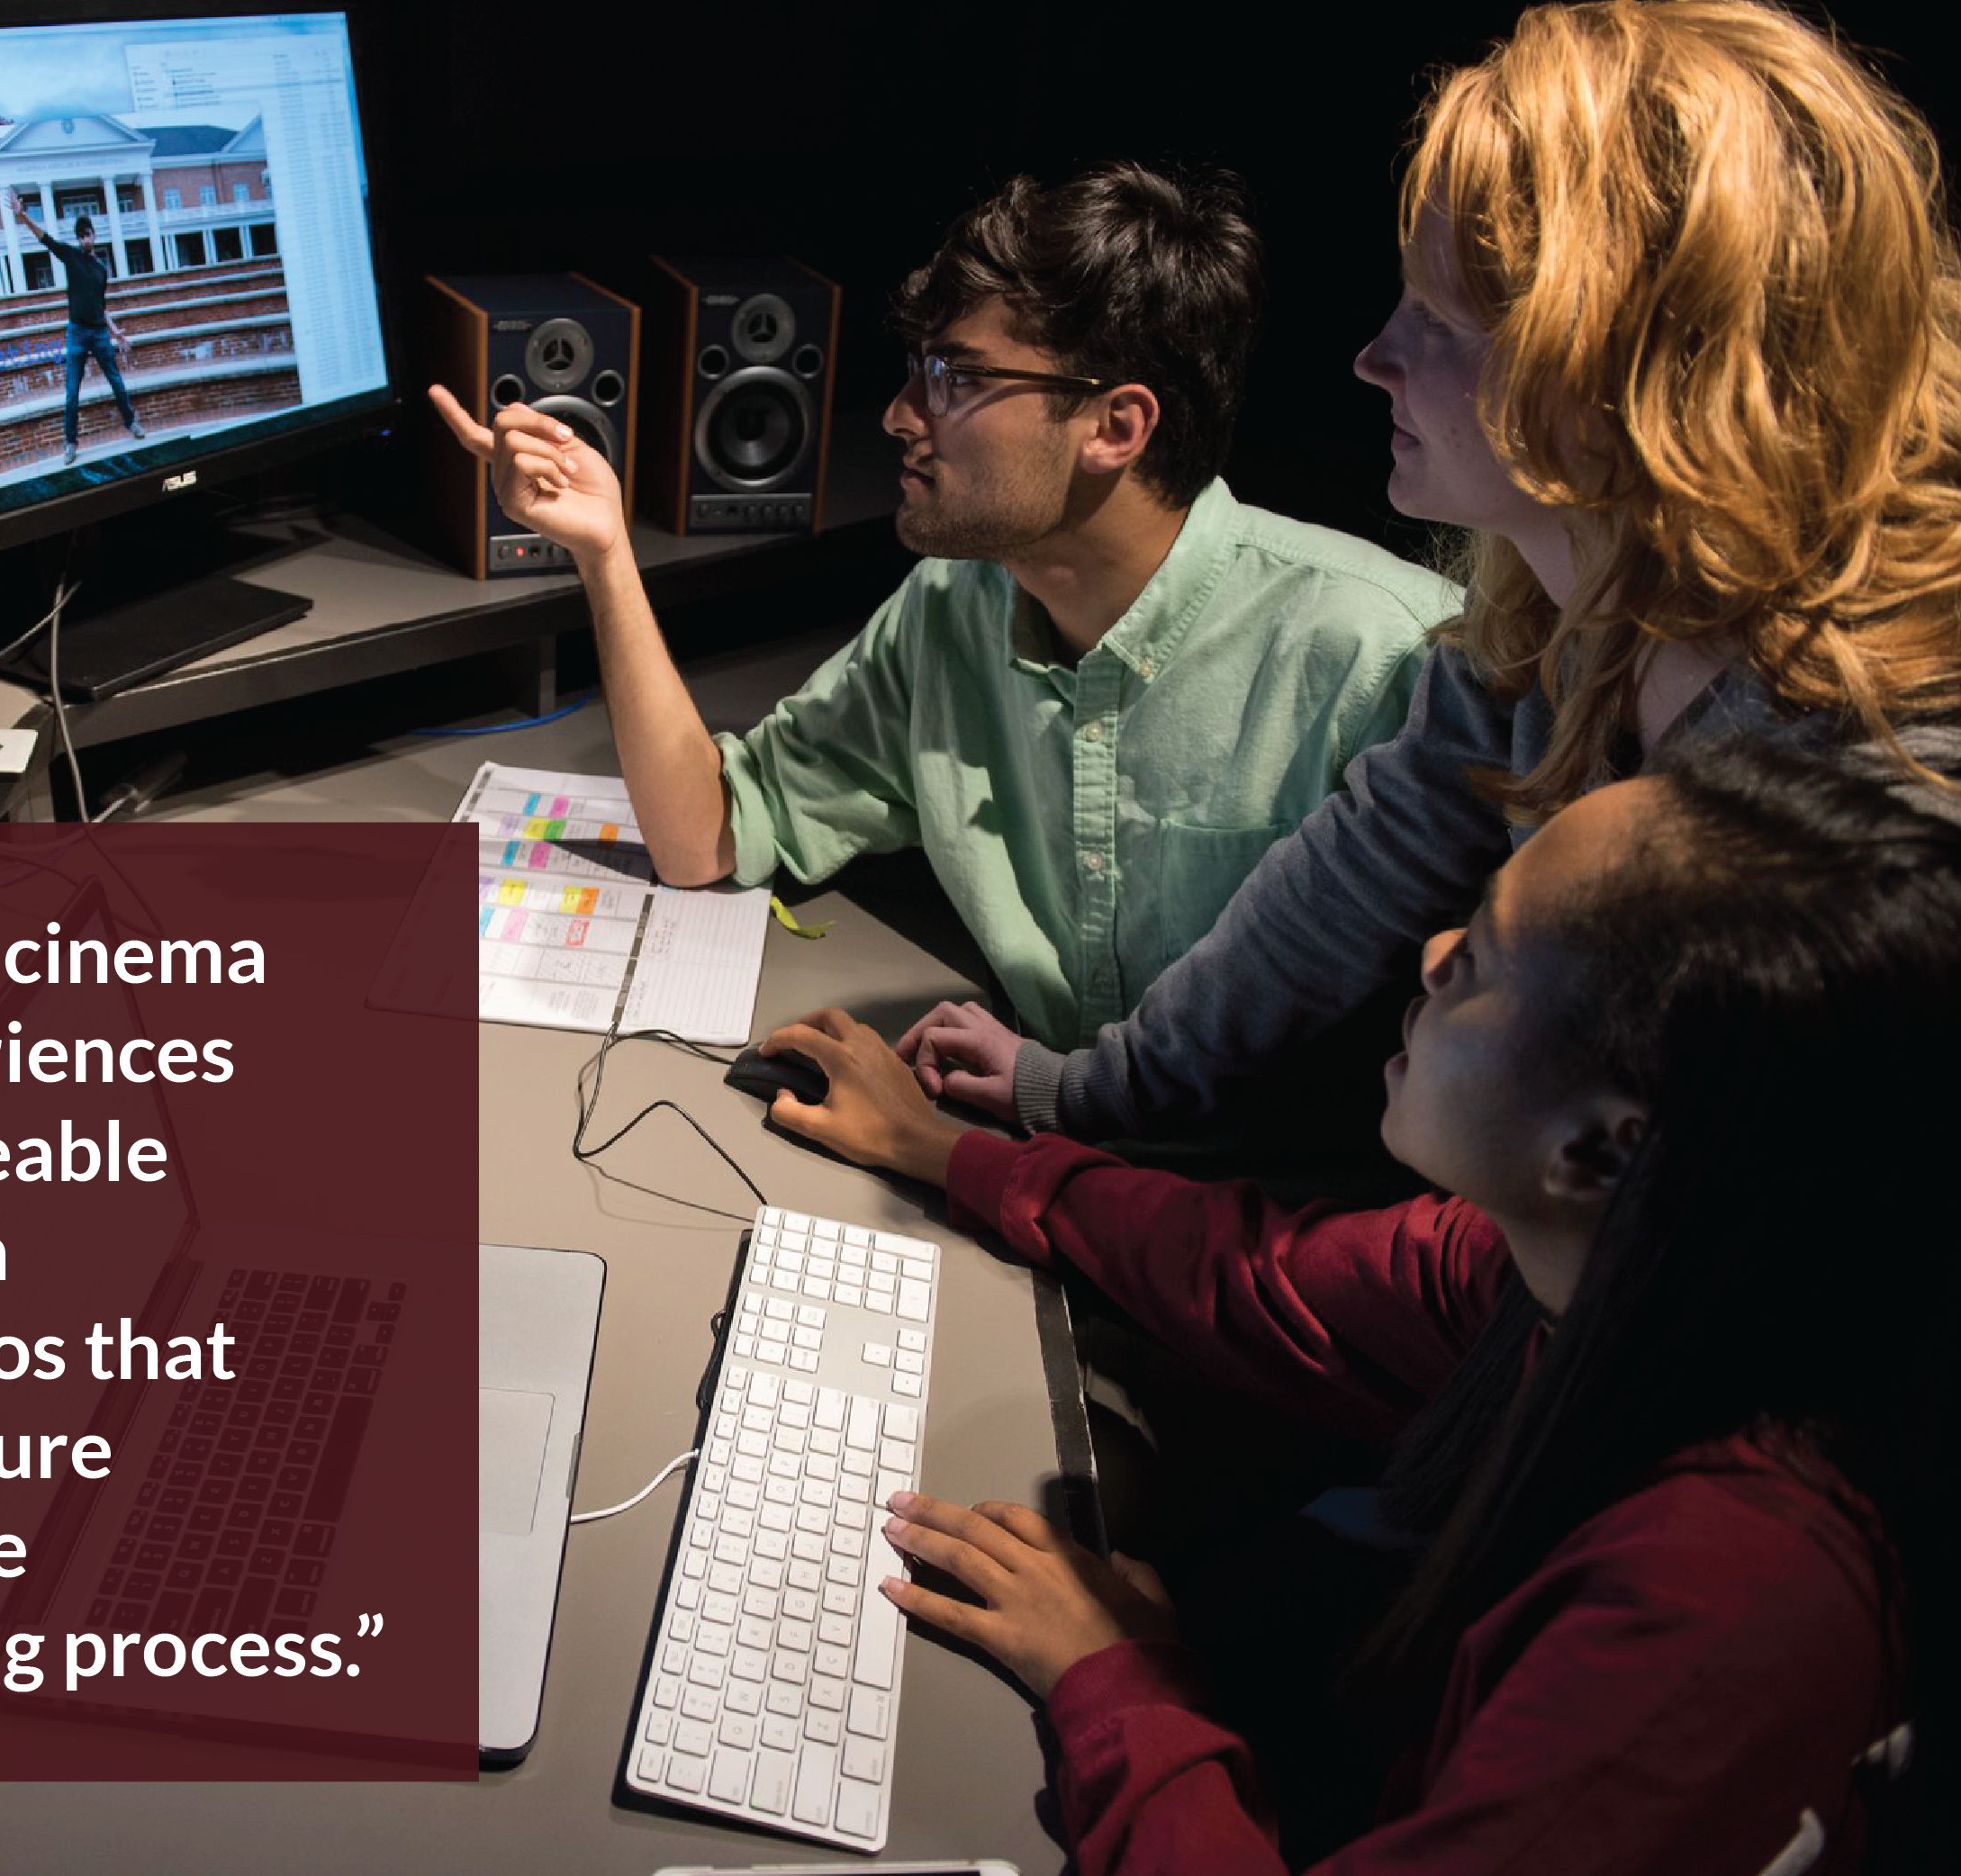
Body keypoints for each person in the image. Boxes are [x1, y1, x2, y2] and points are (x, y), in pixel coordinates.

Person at [756, 733, 1944, 1873]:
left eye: (1477, 955)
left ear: (1601, 1151)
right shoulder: (1620, 1274)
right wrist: (944, 1153)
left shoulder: (1713, 1615)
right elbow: (1247, 1270)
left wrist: (1118, 1683)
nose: (1427, 955)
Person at [891, 0, 1961, 1138]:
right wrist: (1078, 1090)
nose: (1372, 359)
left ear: (1626, 364)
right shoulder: (1547, 628)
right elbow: (1337, 895)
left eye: (1439, 320)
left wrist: (1018, 1176)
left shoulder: (1878, 808)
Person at [432, 162, 1457, 1051]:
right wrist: (605, 553)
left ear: (1115, 424)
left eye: (953, 377)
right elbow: (704, 835)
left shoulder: (1392, 659)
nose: (897, 416)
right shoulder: (953, 604)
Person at [14, 198, 145, 459]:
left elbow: (101, 305)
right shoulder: (71, 257)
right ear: (78, 239)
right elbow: (46, 239)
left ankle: (131, 422)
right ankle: (71, 443)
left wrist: (115, 331)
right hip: (77, 333)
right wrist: (23, 217)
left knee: (117, 383)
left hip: (99, 333)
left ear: (94, 236)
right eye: (81, 236)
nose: (85, 240)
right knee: (72, 392)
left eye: (88, 235)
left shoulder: (101, 270)